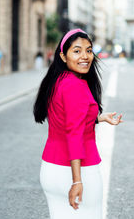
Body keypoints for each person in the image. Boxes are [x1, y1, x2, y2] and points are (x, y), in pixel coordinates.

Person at [33, 29, 123, 219]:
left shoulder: (58, 81)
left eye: (89, 50)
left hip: (51, 170)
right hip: (78, 171)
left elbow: (67, 120)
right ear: (63, 56)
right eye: (77, 51)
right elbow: (74, 133)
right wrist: (76, 181)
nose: (85, 56)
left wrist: (99, 118)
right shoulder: (76, 85)